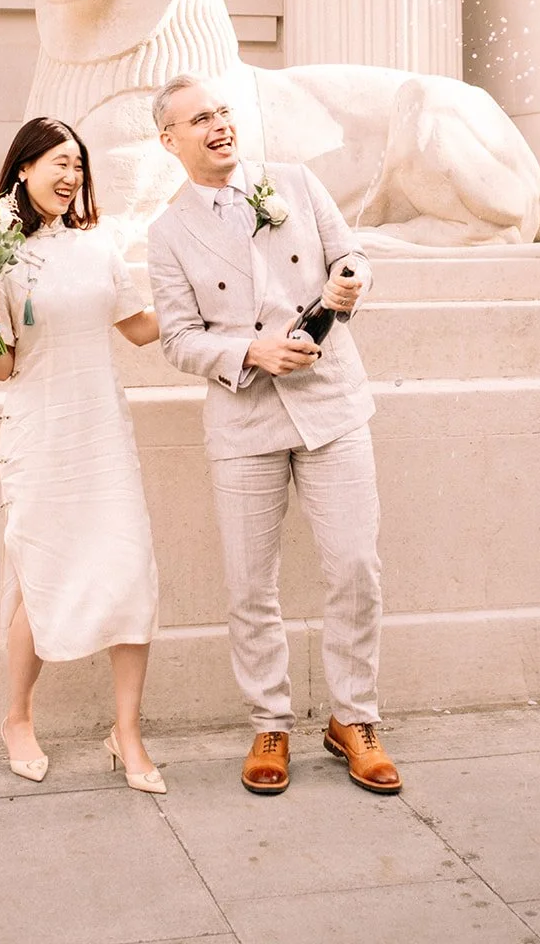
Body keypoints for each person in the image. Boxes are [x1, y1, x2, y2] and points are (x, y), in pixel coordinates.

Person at [147, 73, 401, 797]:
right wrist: (248, 354)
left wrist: (350, 280)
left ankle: (354, 719)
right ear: (170, 140)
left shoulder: (293, 180)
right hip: (245, 416)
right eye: (199, 119)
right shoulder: (166, 235)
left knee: (355, 565)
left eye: (222, 112)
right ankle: (271, 723)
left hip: (331, 401)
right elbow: (175, 338)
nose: (218, 124)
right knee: (250, 584)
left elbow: (350, 256)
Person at [0, 116, 166, 794]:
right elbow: (2, 367)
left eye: (77, 162)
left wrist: (204, 298)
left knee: (128, 569)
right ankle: (17, 717)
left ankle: (126, 732)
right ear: (22, 168)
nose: (70, 173)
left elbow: (138, 329)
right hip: (39, 432)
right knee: (38, 574)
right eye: (56, 160)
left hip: (102, 432)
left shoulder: (99, 244)